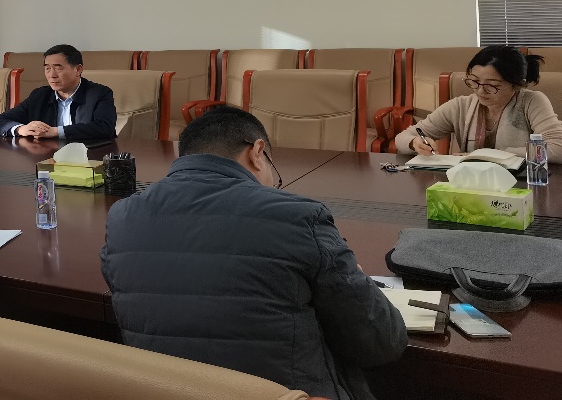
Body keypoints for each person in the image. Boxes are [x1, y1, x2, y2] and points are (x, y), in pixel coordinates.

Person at [102, 106, 406, 400]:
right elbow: (382, 342)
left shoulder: (122, 217)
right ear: (257, 152)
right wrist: (355, 280)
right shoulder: (298, 216)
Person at [395, 45, 562, 161]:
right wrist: (415, 143)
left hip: (521, 185)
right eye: (474, 81)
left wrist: (488, 156)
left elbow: (557, 148)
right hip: (471, 185)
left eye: (492, 85)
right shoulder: (460, 106)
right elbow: (403, 137)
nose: (480, 91)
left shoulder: (532, 102)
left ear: (517, 85)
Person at [0, 44, 117, 140]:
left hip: (89, 158)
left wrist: (56, 132)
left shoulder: (100, 94)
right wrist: (21, 129)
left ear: (78, 70)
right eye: (47, 69)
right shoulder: (39, 96)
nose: (51, 75)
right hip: (49, 159)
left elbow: (105, 128)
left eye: (58, 68)